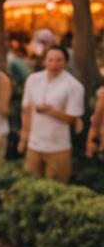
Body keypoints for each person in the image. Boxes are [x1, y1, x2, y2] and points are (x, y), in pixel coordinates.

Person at [19, 45, 85, 183]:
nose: (54, 64)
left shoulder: (74, 86)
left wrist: (50, 111)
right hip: (34, 145)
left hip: (58, 147)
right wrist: (24, 138)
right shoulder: (33, 79)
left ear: (65, 62)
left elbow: (73, 119)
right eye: (50, 60)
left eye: (59, 60)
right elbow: (27, 111)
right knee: (30, 186)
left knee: (55, 188)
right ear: (44, 61)